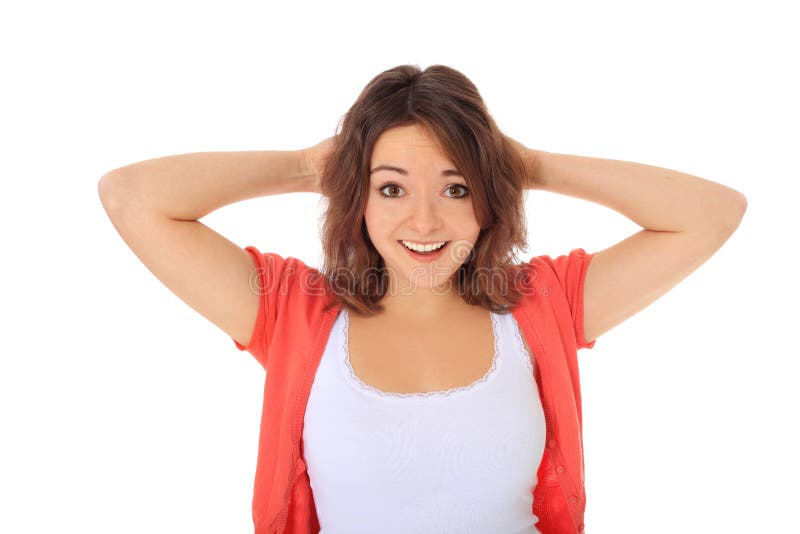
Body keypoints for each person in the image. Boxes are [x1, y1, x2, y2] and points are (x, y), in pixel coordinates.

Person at [98, 64, 747, 534]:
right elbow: (132, 197)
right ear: (356, 199)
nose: (426, 222)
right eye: (391, 189)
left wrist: (531, 166)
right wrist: (304, 166)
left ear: (490, 198)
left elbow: (713, 214)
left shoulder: (544, 302)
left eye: (457, 188)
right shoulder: (292, 310)